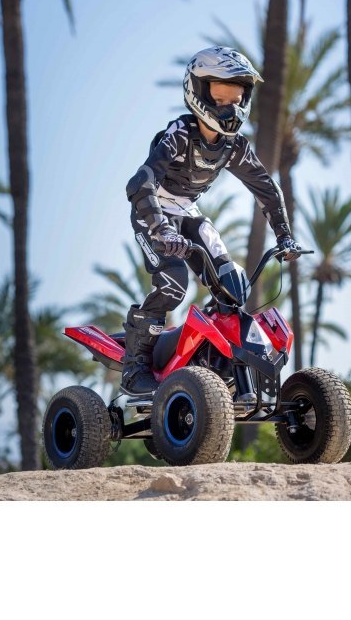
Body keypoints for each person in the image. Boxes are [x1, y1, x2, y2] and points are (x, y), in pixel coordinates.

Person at [121, 46, 302, 396]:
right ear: (198, 91)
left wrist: (285, 237)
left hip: (187, 212)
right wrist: (160, 228)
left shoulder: (234, 146)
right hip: (152, 212)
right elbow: (140, 183)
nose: (230, 107)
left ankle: (207, 356)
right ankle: (135, 366)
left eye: (237, 97)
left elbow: (266, 189)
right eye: (220, 97)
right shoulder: (180, 133)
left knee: (231, 282)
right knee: (173, 283)